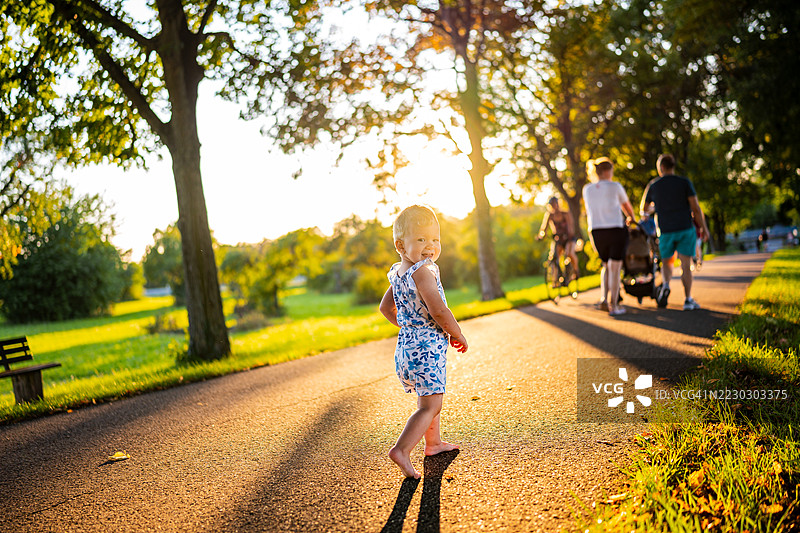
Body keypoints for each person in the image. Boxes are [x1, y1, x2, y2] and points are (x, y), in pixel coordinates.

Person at [379, 205, 468, 478]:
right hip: (426, 350)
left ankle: (434, 444)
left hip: (407, 347)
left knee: (427, 399)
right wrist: (456, 332)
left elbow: (386, 308)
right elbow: (439, 309)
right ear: (400, 245)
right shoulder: (422, 272)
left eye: (435, 239)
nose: (430, 246)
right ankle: (402, 449)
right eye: (420, 240)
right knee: (432, 405)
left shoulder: (398, 274)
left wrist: (409, 327)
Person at [640, 154, 710, 310]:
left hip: (665, 230)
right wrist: (704, 229)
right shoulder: (684, 183)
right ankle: (688, 299)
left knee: (667, 262)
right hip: (685, 228)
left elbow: (643, 210)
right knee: (686, 264)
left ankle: (665, 284)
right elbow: (696, 209)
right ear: (672, 166)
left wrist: (654, 208)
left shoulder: (654, 185)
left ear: (661, 167)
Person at [582, 157, 636, 316]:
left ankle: (604, 299)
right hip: (615, 229)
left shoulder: (587, 189)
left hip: (596, 232)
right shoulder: (615, 186)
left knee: (606, 265)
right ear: (608, 171)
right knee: (615, 268)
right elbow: (627, 208)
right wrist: (631, 219)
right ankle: (614, 305)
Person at [537, 196, 580, 283]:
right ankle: (555, 280)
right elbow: (544, 228)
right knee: (554, 258)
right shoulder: (550, 215)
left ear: (558, 204)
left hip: (569, 238)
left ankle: (576, 271)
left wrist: (569, 235)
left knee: (569, 253)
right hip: (558, 239)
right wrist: (541, 236)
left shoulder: (565, 213)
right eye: (552, 205)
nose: (554, 206)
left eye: (555, 204)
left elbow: (571, 226)